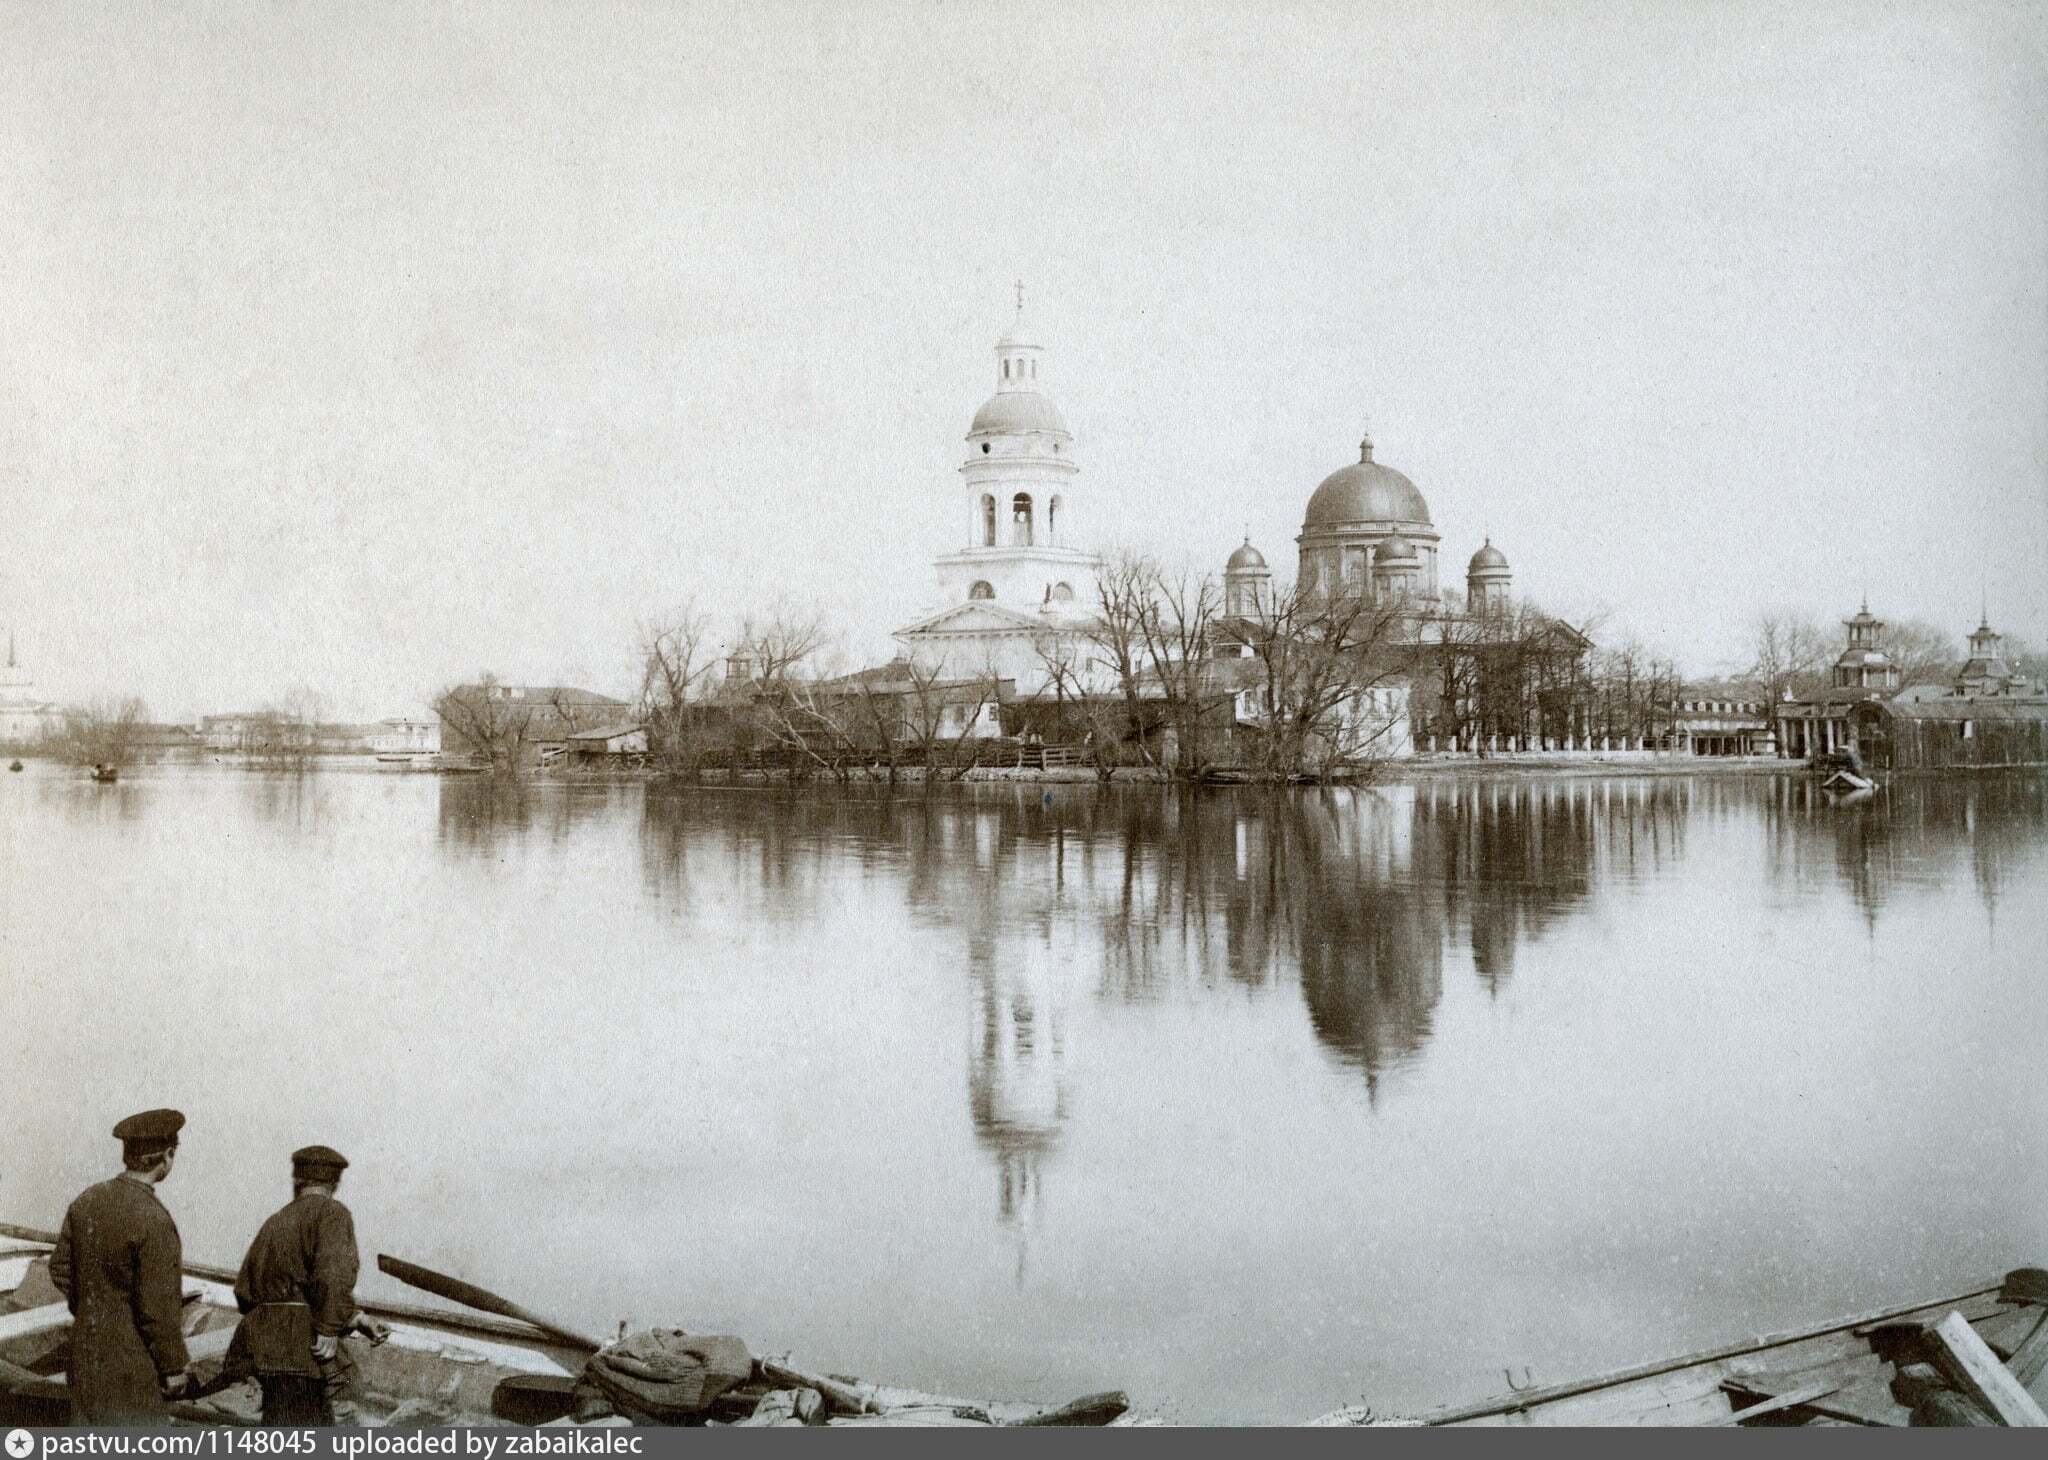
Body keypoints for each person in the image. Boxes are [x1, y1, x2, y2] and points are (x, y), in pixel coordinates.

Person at [49, 1109, 192, 1425]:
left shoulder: (87, 1200)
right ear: (167, 1156)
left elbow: (60, 1267)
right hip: (131, 1365)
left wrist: (89, 1308)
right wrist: (174, 1366)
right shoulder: (154, 1219)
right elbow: (158, 1306)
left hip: (84, 1353)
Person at [226, 1145, 388, 1424]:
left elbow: (246, 1290)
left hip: (264, 1346)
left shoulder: (276, 1221)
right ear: (335, 1183)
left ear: (297, 1180)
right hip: (303, 1350)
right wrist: (327, 1328)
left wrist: (357, 1318)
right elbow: (333, 1276)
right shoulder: (333, 1213)